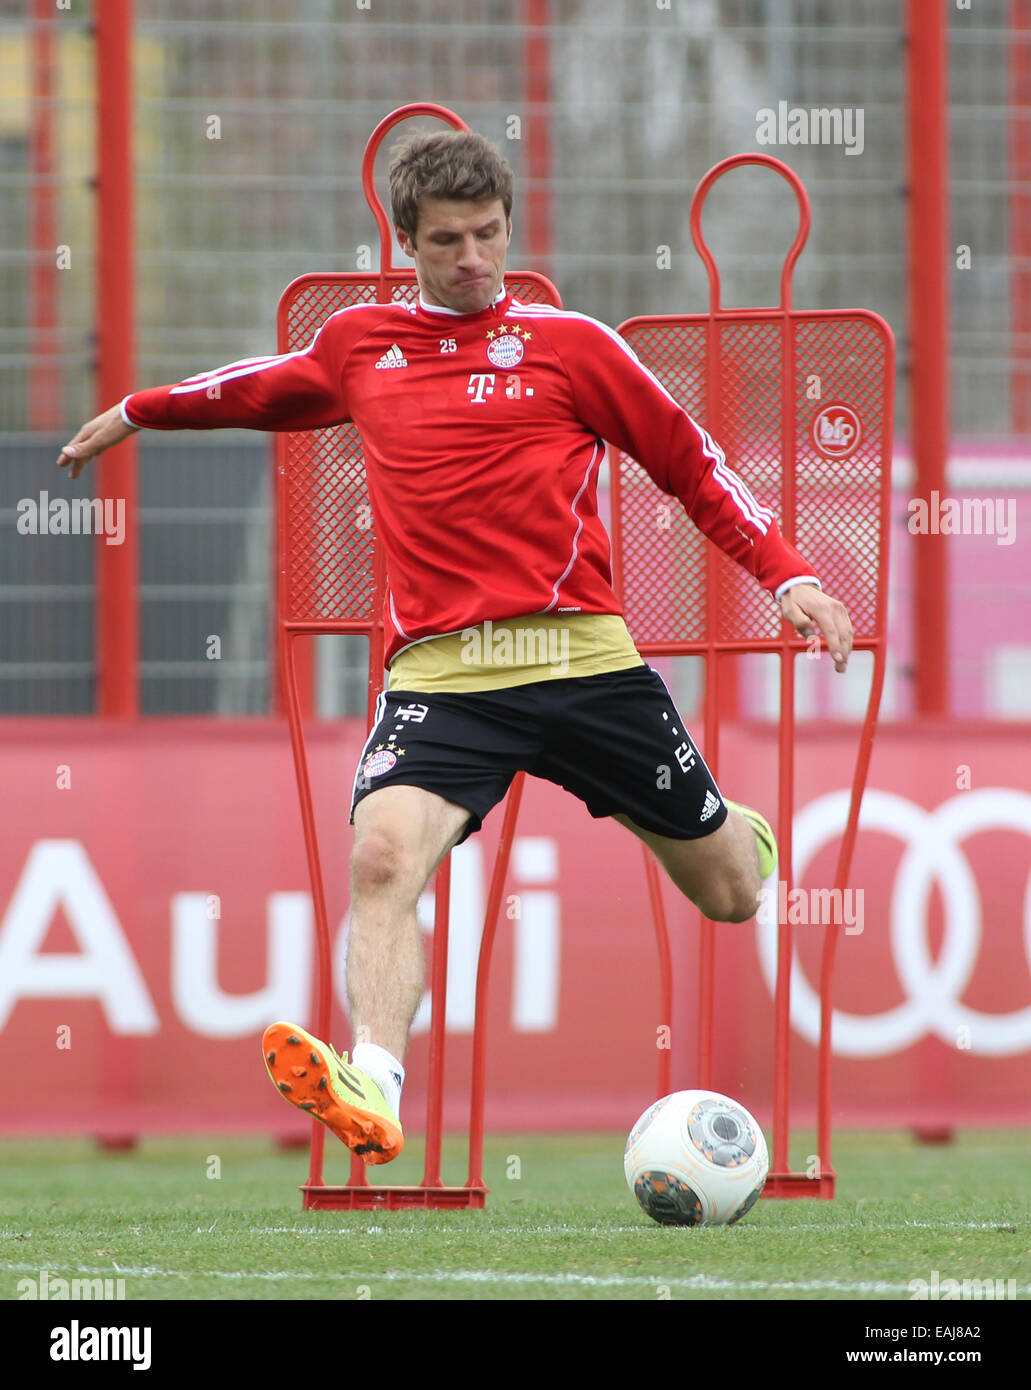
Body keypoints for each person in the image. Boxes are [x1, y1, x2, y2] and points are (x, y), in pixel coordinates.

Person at [59, 129, 853, 1165]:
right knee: (382, 855)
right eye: (446, 240)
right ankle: (374, 1083)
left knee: (729, 896)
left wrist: (786, 573)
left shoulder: (574, 346)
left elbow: (689, 463)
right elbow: (260, 387)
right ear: (405, 245)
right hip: (441, 677)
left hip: (581, 661)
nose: (472, 256)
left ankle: (726, 828)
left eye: (487, 233)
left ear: (508, 227)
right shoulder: (361, 346)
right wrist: (135, 409)